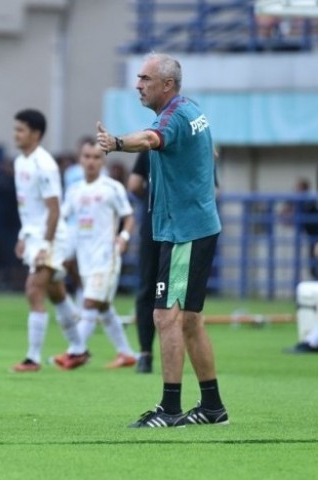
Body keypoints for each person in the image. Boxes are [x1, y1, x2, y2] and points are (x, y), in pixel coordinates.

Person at [97, 52, 228, 427]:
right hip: (194, 226)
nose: (138, 85)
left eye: (145, 79)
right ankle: (212, 407)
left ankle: (170, 409)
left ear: (167, 85)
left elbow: (151, 138)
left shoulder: (171, 118)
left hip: (185, 231)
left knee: (164, 316)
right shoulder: (191, 110)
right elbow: (207, 148)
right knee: (189, 320)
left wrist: (117, 142)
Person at [9, 109, 88, 373]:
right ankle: (79, 349)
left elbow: (54, 209)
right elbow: (29, 208)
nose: (16, 134)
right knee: (56, 293)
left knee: (34, 290)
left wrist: (44, 245)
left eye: (21, 130)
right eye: (16, 129)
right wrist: (23, 236)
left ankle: (32, 358)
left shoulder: (45, 165)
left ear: (36, 134)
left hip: (52, 238)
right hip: (35, 236)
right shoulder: (21, 162)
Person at [61, 139, 137, 368]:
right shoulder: (75, 191)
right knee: (103, 306)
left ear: (103, 159)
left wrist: (123, 238)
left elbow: (129, 217)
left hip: (107, 255)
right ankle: (126, 353)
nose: (91, 162)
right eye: (87, 156)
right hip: (85, 257)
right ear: (80, 159)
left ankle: (75, 352)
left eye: (96, 157)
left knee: (90, 303)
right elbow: (64, 220)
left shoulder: (112, 188)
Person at [127, 150, 160, 373]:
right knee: (180, 294)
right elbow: (212, 190)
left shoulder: (149, 145)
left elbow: (134, 184)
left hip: (154, 226)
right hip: (186, 229)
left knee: (147, 289)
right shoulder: (198, 142)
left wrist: (152, 198)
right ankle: (181, 349)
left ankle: (145, 353)